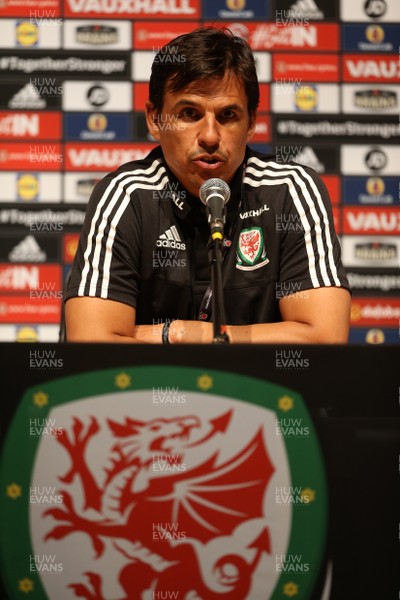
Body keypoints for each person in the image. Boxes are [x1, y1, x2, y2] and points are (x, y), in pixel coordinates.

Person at [65, 27, 351, 344]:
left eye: (228, 115)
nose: (211, 137)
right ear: (155, 119)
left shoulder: (290, 190)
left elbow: (324, 338)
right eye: (190, 113)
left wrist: (186, 334)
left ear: (252, 122)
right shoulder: (127, 196)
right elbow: (91, 342)